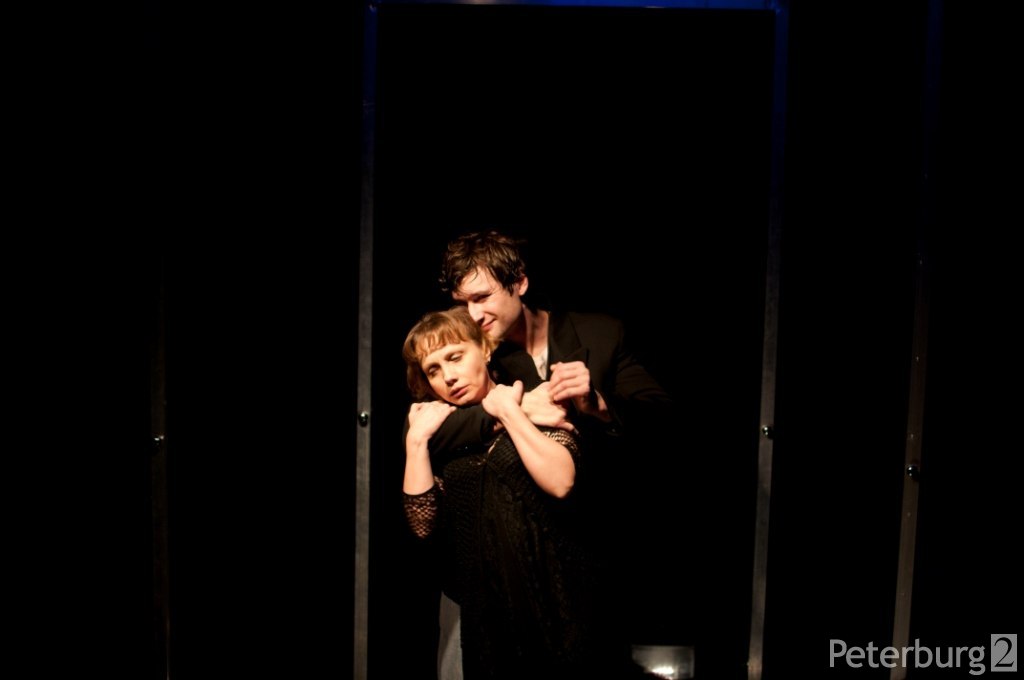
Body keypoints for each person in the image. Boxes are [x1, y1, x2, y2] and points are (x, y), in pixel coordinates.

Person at [422, 229, 674, 677]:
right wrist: (511, 409)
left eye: (482, 297)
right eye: (463, 303)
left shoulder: (600, 332)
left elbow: (660, 418)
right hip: (511, 565)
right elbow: (431, 428)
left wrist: (596, 403)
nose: (473, 315)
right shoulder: (477, 352)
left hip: (593, 554)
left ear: (519, 282)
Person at [402, 307, 629, 680]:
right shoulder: (441, 432)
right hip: (481, 610)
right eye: (433, 370)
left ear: (484, 349)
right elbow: (423, 525)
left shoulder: (531, 396)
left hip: (552, 595)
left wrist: (509, 412)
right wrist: (415, 442)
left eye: (455, 357)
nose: (448, 376)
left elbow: (561, 480)